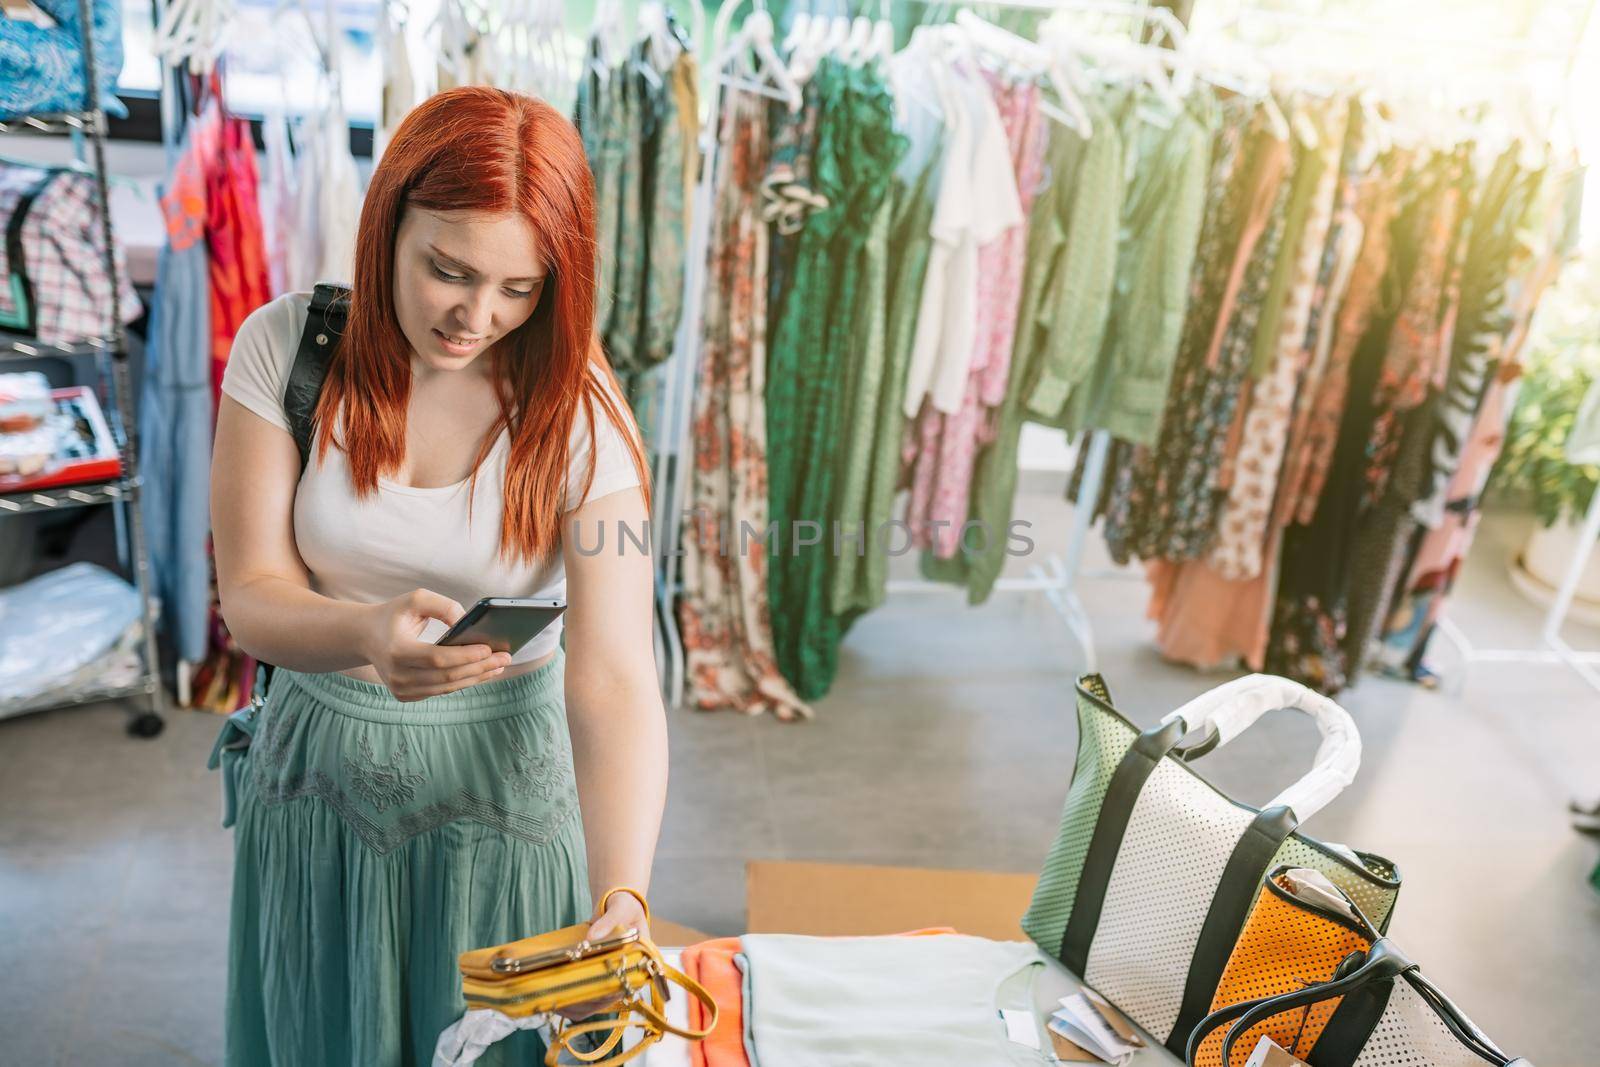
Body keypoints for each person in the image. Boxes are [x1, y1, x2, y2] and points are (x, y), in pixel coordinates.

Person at [209, 86, 666, 1066]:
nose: (474, 315)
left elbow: (616, 669)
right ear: (387, 230)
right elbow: (251, 592)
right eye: (446, 270)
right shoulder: (286, 348)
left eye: (519, 288)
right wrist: (365, 633)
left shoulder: (581, 408)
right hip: (319, 790)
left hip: (503, 809)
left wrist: (623, 891)